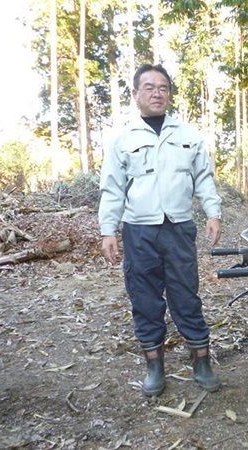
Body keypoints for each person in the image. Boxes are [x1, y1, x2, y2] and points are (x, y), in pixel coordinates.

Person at [98, 64, 222, 396]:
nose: (157, 93)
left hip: (179, 228)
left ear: (169, 93)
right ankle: (155, 366)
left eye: (163, 87)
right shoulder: (123, 140)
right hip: (139, 231)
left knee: (186, 296)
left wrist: (213, 213)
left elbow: (204, 179)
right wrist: (108, 230)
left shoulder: (188, 136)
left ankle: (201, 360)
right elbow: (112, 188)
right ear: (136, 94)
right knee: (145, 299)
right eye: (149, 87)